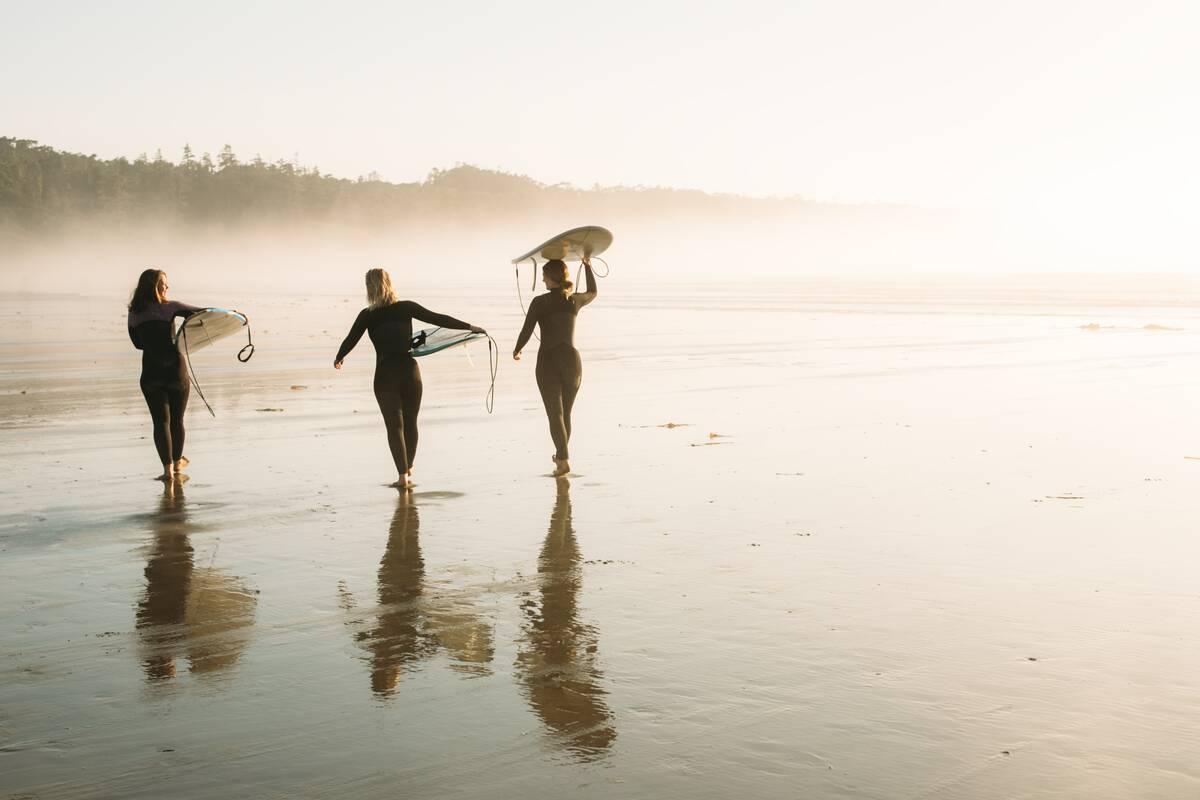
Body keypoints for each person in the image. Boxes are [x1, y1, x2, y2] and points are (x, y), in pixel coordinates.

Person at [334, 268, 485, 489]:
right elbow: (438, 319)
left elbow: (351, 339)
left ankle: (403, 476)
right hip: (410, 372)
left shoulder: (367, 315)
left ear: (369, 288)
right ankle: (409, 467)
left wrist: (339, 357)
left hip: (386, 375)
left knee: (394, 426)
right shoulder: (406, 307)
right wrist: (469, 327)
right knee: (411, 422)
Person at [513, 257, 597, 476]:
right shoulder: (574, 300)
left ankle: (563, 460)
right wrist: (587, 266)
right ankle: (561, 458)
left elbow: (527, 329)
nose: (542, 280)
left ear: (551, 278)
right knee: (565, 414)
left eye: (544, 276)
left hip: (548, 361)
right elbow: (593, 292)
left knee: (555, 414)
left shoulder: (540, 302)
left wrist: (517, 349)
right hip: (572, 361)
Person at [127, 268, 202, 481]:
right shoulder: (171, 308)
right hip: (175, 372)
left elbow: (137, 344)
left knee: (160, 423)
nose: (167, 287)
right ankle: (178, 464)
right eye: (164, 284)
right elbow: (203, 314)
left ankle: (167, 471)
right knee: (177, 421)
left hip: (151, 374)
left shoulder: (134, 313)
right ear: (155, 286)